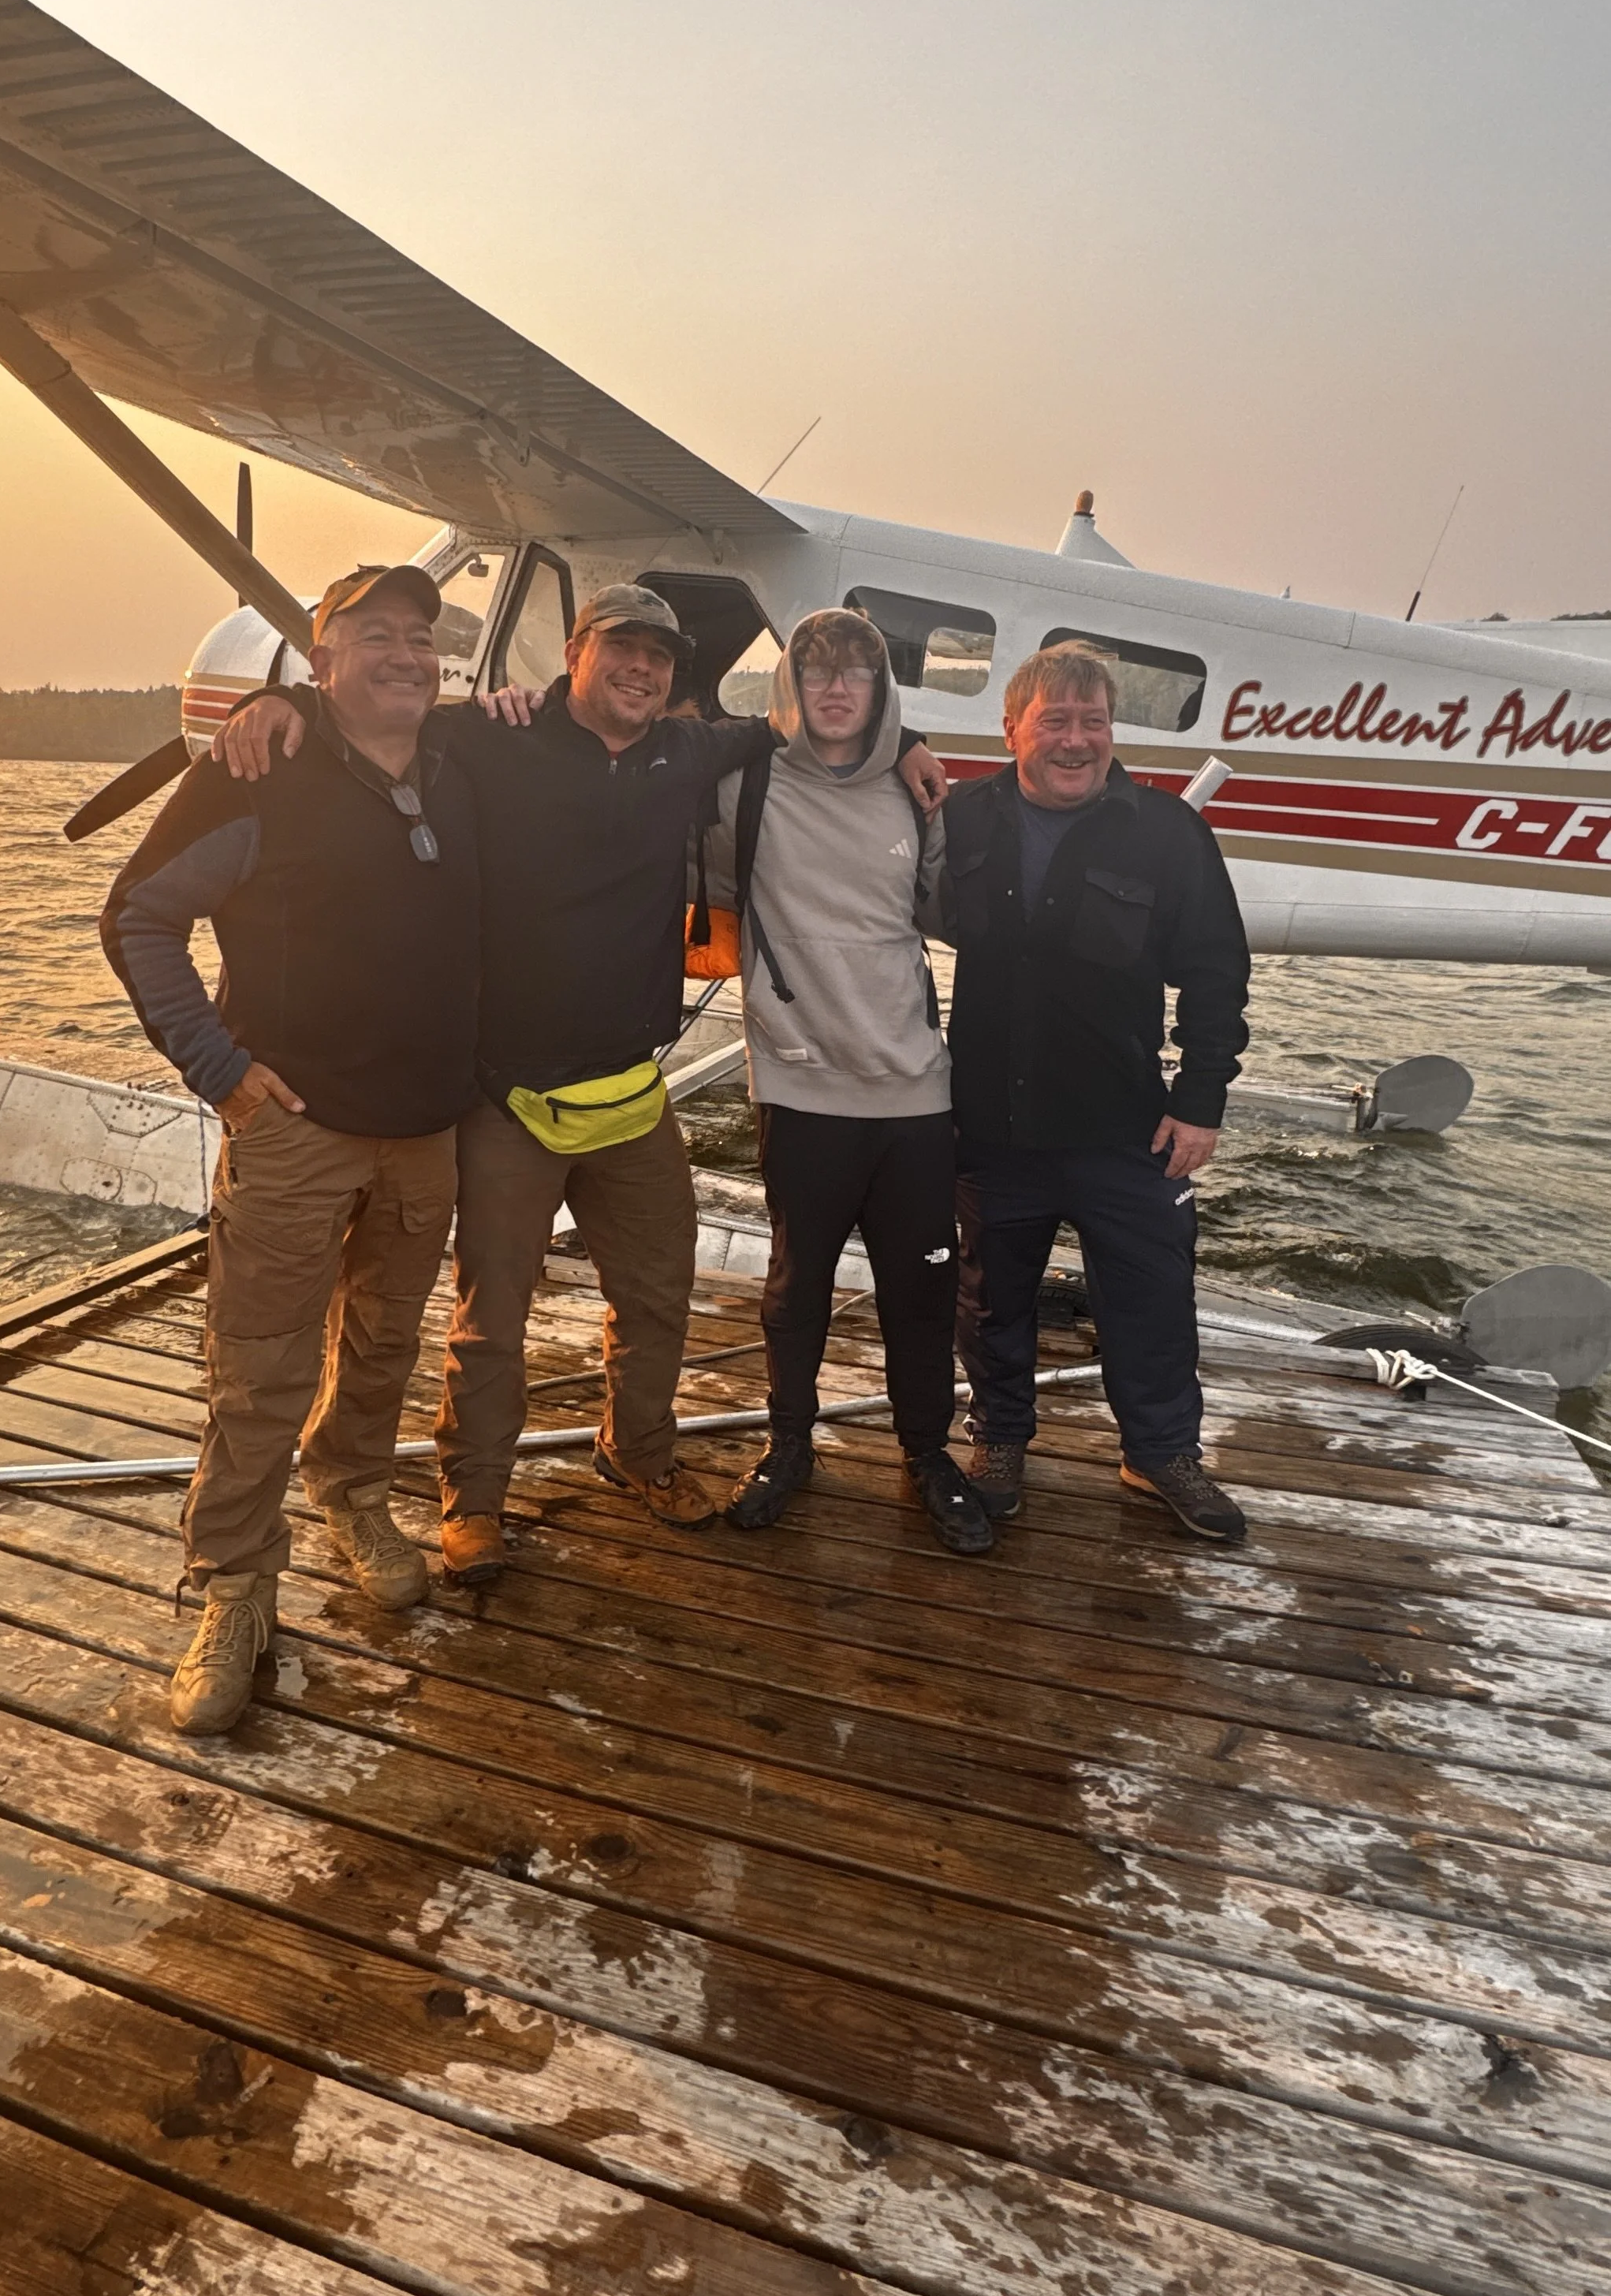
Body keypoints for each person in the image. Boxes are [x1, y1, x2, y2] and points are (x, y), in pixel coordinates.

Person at [218, 583, 949, 1578]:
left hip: (629, 1088)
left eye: (660, 656)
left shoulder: (690, 751)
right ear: (575, 653)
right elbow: (377, 712)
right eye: (622, 650)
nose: (642, 669)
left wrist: (903, 743)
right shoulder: (493, 735)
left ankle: (636, 1452)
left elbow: (797, 727)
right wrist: (288, 705)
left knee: (658, 1292)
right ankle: (470, 1495)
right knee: (493, 1314)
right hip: (508, 1092)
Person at [101, 563, 478, 1733]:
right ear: (319, 663)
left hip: (425, 1132)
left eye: (422, 637)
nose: (406, 655)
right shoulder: (261, 765)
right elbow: (139, 916)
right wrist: (221, 1072)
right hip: (296, 1130)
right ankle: (233, 1584)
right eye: (375, 637)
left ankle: (355, 1496)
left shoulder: (466, 765)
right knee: (258, 1368)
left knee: (382, 1343)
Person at [936, 639, 1252, 1541]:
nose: (1075, 742)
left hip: (1128, 1127)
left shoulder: (1167, 832)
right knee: (990, 1299)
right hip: (993, 1124)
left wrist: (1200, 1100)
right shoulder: (960, 818)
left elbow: (1217, 970)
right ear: (1012, 730)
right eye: (1055, 722)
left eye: (1094, 723)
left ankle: (1159, 1453)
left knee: (1154, 1300)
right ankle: (998, 1441)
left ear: (1113, 731)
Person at [699, 606, 991, 1552]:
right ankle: (790, 1443)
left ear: (881, 692)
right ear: (789, 683)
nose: (835, 687)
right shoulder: (742, 785)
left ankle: (927, 1453)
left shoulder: (917, 793)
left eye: (856, 673)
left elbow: (948, 915)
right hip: (799, 1081)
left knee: (922, 1290)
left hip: (913, 1089)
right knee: (797, 1284)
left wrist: (911, 749)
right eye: (816, 669)